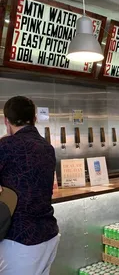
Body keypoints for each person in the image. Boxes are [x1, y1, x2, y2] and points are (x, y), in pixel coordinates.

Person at [0, 96, 59, 275]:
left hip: (20, 240)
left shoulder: (6, 146)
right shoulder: (47, 147)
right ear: (34, 119)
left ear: (6, 121)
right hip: (49, 235)